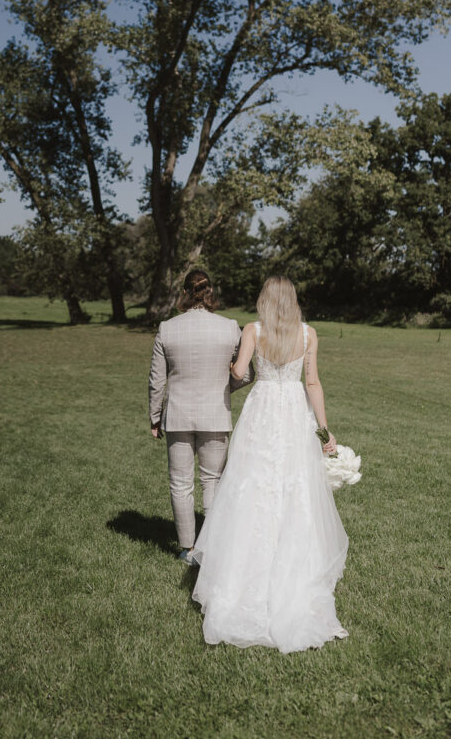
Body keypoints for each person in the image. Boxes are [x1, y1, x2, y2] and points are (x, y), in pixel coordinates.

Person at [191, 275, 348, 653]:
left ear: (264, 299)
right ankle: (295, 569)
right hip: (294, 412)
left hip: (261, 411)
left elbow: (240, 372)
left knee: (251, 484)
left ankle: (243, 572)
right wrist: (324, 429)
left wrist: (232, 363)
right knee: (294, 486)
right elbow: (313, 383)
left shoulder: (253, 330)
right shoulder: (308, 334)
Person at [148, 269, 251, 564]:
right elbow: (246, 374)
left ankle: (187, 548)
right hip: (216, 413)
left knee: (180, 483)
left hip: (177, 415)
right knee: (212, 481)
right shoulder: (230, 327)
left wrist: (155, 416)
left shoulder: (167, 328)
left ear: (184, 292)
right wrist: (225, 388)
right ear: (210, 292)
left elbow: (157, 379)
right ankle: (212, 546)